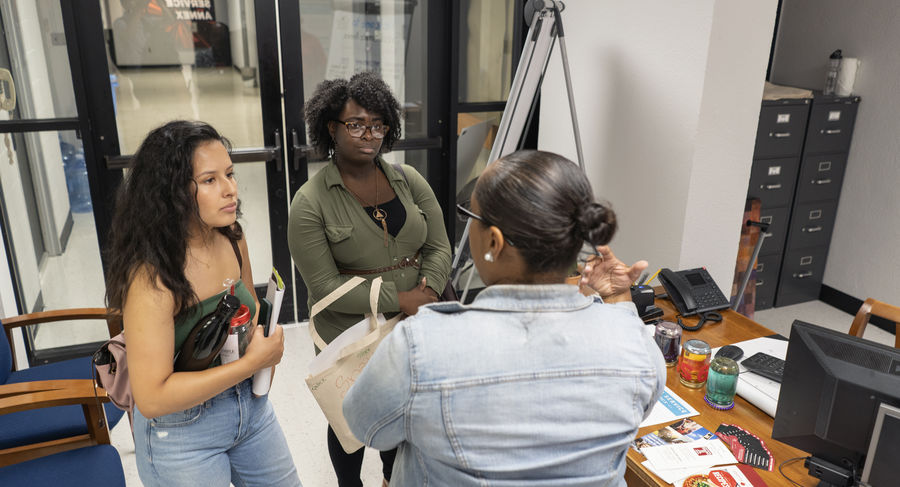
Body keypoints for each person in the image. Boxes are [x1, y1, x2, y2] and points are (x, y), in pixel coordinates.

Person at [343, 149, 666, 486]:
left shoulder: (421, 347)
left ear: (493, 243)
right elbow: (638, 408)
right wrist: (616, 298)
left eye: (471, 215)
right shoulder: (637, 345)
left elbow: (364, 426)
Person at [104, 121, 301, 487]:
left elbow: (250, 311)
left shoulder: (232, 238)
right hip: (180, 433)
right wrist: (251, 366)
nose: (230, 190)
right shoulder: (152, 277)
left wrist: (262, 349)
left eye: (229, 174)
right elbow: (153, 398)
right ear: (172, 192)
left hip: (249, 410)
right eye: (210, 180)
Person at [288, 72, 452, 487]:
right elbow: (325, 286)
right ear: (331, 127)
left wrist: (428, 290)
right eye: (357, 124)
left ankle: (391, 481)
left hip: (413, 321)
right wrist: (403, 298)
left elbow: (440, 246)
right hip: (349, 331)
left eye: (379, 125)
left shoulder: (408, 179)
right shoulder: (310, 202)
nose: (369, 134)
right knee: (349, 421)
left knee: (399, 413)